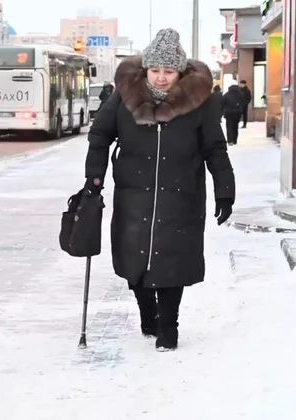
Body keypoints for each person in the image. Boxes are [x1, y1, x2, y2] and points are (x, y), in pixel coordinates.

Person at [84, 28, 235, 352]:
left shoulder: (199, 102)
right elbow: (99, 137)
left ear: (180, 71)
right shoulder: (124, 96)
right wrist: (94, 180)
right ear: (145, 69)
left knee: (171, 263)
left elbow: (215, 148)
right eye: (156, 70)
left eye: (169, 71)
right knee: (134, 262)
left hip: (181, 196)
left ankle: (169, 327)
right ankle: (147, 312)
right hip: (133, 195)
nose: (162, 78)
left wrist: (225, 189)